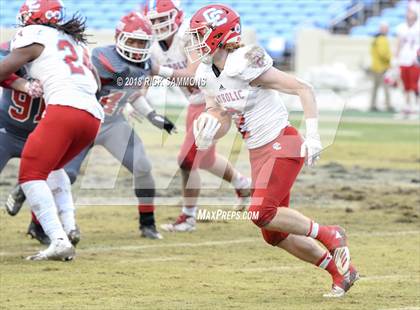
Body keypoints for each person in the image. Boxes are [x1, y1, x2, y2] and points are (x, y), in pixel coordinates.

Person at [187, 4, 359, 297]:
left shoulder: (244, 61)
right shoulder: (206, 73)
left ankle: (330, 233)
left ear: (220, 33)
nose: (195, 41)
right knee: (274, 234)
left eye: (201, 34)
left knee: (259, 212)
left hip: (283, 141)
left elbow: (302, 88)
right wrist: (210, 130)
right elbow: (222, 114)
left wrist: (314, 136)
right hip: (258, 152)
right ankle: (341, 273)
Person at [6, 11, 176, 242]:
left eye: (142, 42)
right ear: (119, 37)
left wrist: (153, 115)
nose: (137, 47)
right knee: (64, 173)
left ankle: (148, 223)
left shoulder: (147, 64)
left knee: (142, 166)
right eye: (133, 40)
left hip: (113, 123)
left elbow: (137, 90)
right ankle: (40, 225)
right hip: (85, 118)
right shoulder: (101, 57)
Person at [0, 0, 104, 261]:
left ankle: (58, 241)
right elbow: (98, 84)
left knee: (31, 174)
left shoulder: (34, 34)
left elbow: (3, 69)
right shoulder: (74, 42)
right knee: (54, 169)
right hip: (92, 117)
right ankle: (69, 227)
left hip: (64, 110)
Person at [143, 0, 251, 233]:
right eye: (155, 20)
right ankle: (243, 184)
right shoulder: (153, 45)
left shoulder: (187, 35)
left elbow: (194, 76)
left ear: (177, 15)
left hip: (217, 97)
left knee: (187, 160)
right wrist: (140, 101)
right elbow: (147, 76)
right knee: (206, 159)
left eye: (163, 18)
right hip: (197, 102)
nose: (159, 24)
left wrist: (158, 71)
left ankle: (188, 217)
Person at [0, 41, 79, 246]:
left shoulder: (62, 55)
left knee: (62, 176)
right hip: (7, 129)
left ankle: (39, 225)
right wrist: (23, 85)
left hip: (41, 132)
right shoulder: (11, 48)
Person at [395, 5, 420, 116]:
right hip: (403, 58)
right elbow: (399, 43)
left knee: (414, 84)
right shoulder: (401, 27)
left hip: (415, 59)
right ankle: (406, 106)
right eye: (408, 13)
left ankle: (415, 107)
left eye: (411, 13)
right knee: (405, 85)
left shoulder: (418, 27)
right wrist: (395, 57)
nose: (409, 15)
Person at [370, 22, 393, 112]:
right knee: (386, 86)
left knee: (375, 87)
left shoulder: (375, 39)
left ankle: (373, 104)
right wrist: (389, 60)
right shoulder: (382, 39)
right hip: (382, 67)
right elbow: (383, 53)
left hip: (375, 66)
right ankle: (388, 105)